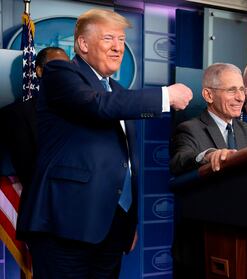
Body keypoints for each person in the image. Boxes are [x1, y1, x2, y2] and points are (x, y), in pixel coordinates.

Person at [16, 9, 192, 279]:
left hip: (113, 228)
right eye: (109, 38)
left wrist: (129, 222)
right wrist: (165, 96)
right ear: (83, 44)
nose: (117, 47)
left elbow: (126, 163)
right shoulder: (60, 73)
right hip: (65, 225)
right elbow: (95, 105)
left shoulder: (119, 93)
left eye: (122, 40)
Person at [169, 63, 247, 278]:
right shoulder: (189, 128)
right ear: (208, 94)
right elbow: (180, 160)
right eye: (232, 90)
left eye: (242, 90)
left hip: (244, 241)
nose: (240, 98)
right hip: (201, 245)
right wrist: (208, 155)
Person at [0, 46, 69, 190]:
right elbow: (26, 168)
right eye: (57, 67)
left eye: (67, 69)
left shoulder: (79, 108)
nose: (64, 74)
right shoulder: (17, 113)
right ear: (39, 71)